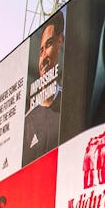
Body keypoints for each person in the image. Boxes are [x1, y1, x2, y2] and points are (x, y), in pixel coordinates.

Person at [23, 13, 64, 166]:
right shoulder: (27, 122)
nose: (44, 56)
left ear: (60, 42)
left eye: (49, 44)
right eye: (40, 51)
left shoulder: (70, 107)